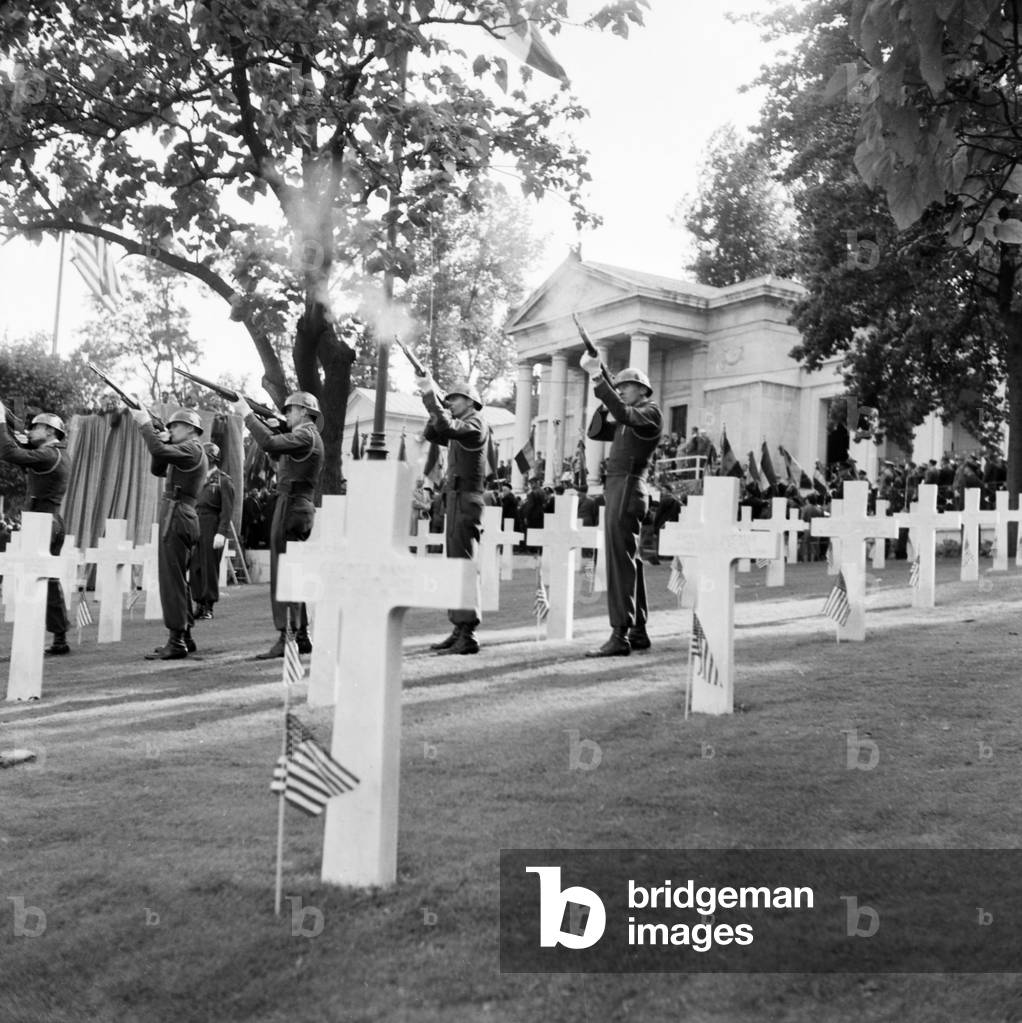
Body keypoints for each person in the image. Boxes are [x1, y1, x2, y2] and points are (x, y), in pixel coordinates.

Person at [579, 361, 663, 656]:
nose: (622, 390)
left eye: (626, 386)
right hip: (619, 488)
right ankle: (637, 630)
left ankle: (620, 634)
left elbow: (624, 413)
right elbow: (595, 431)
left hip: (627, 486)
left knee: (619, 562)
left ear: (643, 389)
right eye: (620, 386)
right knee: (629, 561)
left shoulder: (649, 413)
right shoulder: (629, 417)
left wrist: (599, 379)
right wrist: (606, 392)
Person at [232, 392, 324, 659]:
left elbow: (270, 443)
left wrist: (247, 414)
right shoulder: (306, 436)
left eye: (291, 410)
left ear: (305, 412)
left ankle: (288, 637)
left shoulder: (306, 434)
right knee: (293, 573)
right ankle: (301, 635)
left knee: (284, 573)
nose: (287, 415)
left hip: (290, 505)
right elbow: (278, 453)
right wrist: (272, 425)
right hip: (298, 504)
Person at [415, 373, 490, 655]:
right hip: (455, 499)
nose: (450, 403)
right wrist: (433, 405)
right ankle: (459, 627)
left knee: (464, 567)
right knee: (454, 566)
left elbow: (448, 426)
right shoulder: (460, 424)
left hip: (467, 499)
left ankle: (468, 633)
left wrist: (429, 394)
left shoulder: (475, 423)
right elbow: (435, 432)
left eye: (454, 398)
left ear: (470, 401)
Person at [129, 404, 208, 660]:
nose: (171, 429)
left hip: (177, 513)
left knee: (170, 578)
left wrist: (144, 424)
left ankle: (176, 641)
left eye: (175, 426)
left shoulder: (191, 447)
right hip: (179, 511)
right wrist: (161, 440)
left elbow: (157, 449)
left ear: (190, 429)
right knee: (177, 578)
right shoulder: (186, 448)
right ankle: (184, 635)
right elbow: (157, 468)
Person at [0, 406, 72, 655]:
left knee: (35, 581)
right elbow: (21, 448)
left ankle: (35, 641)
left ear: (50, 431)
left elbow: (8, 452)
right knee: (47, 581)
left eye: (36, 427)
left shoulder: (49, 455)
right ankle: (59, 637)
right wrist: (11, 423)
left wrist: (1, 421)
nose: (30, 431)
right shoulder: (53, 453)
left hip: (43, 523)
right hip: (47, 521)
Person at [190, 442, 236, 620]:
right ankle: (198, 603)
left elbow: (227, 510)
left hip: (212, 524)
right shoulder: (197, 478)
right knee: (196, 566)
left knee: (209, 566)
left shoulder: (223, 480)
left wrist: (221, 532)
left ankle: (208, 605)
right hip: (196, 522)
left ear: (212, 458)